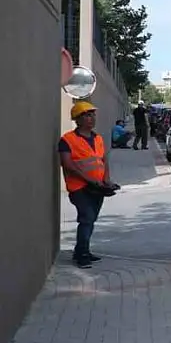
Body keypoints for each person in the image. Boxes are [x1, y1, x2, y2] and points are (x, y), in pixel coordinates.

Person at [59, 101, 120, 268]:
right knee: (87, 219)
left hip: (98, 187)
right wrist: (89, 179)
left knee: (91, 220)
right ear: (77, 119)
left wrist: (106, 180)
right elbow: (68, 165)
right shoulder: (67, 140)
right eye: (87, 115)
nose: (91, 118)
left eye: (93, 114)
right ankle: (82, 255)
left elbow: (103, 160)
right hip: (79, 188)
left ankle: (81, 251)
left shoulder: (98, 138)